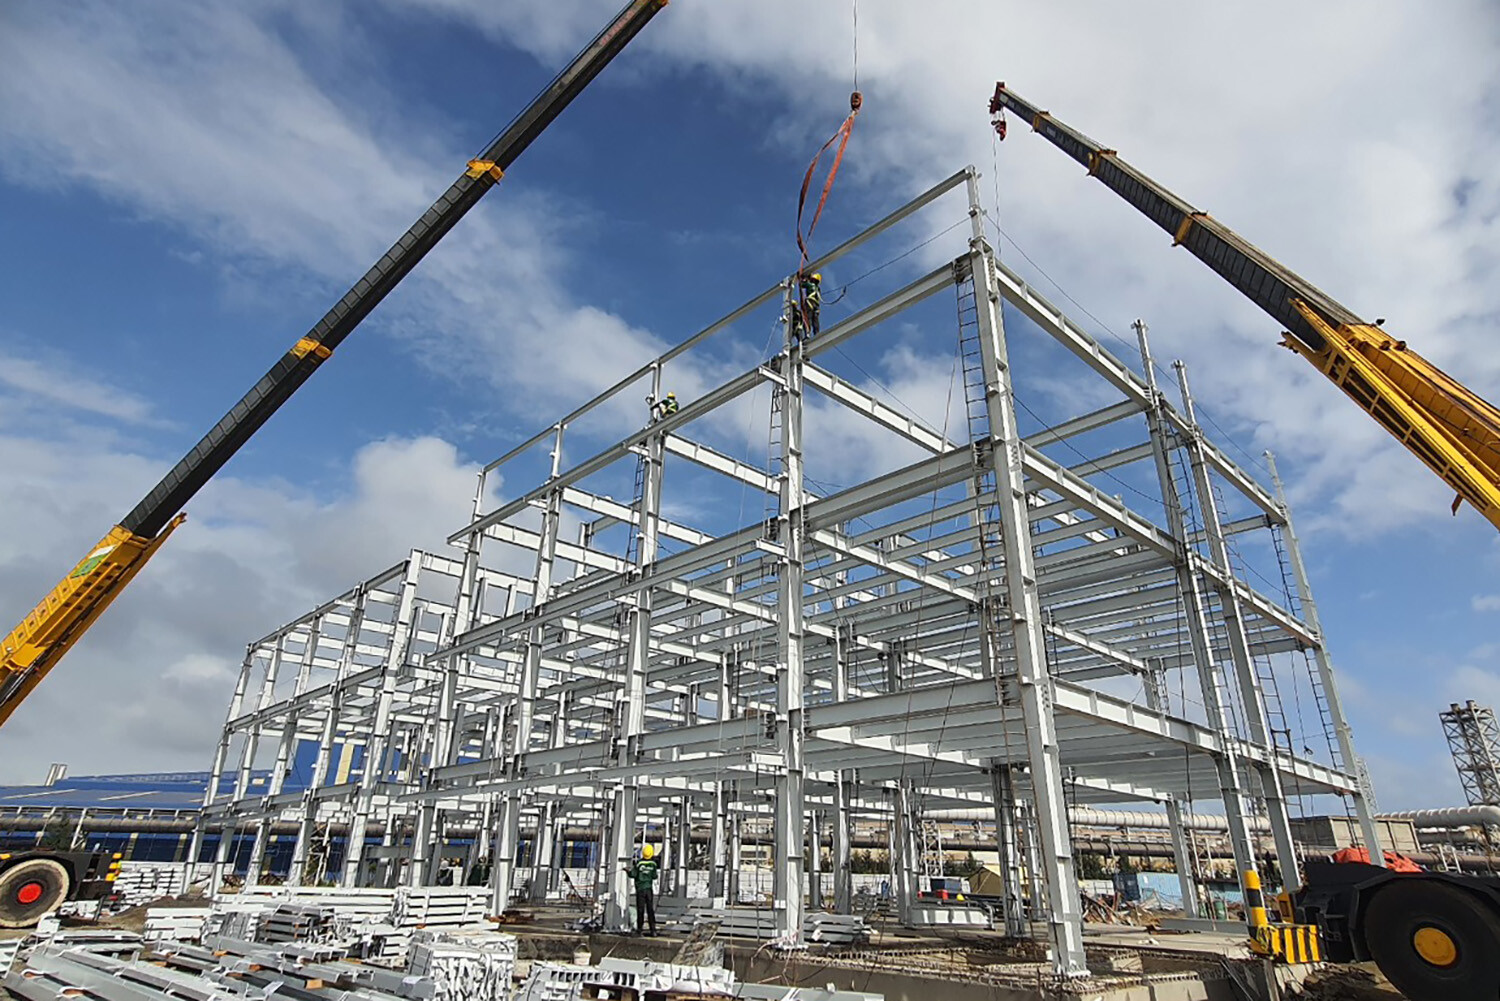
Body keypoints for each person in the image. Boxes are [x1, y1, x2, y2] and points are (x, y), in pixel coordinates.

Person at [625, 844, 660, 935]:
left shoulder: (639, 864)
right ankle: (653, 930)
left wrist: (627, 871)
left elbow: (633, 874)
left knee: (640, 910)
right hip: (649, 889)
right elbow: (654, 876)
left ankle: (639, 930)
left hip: (640, 889)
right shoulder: (653, 864)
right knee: (650, 910)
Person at [793, 272, 822, 341]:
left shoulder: (810, 285)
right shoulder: (818, 289)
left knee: (807, 319)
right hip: (816, 306)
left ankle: (807, 334)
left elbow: (802, 285)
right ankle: (816, 333)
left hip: (809, 304)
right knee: (815, 320)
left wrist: (802, 279)